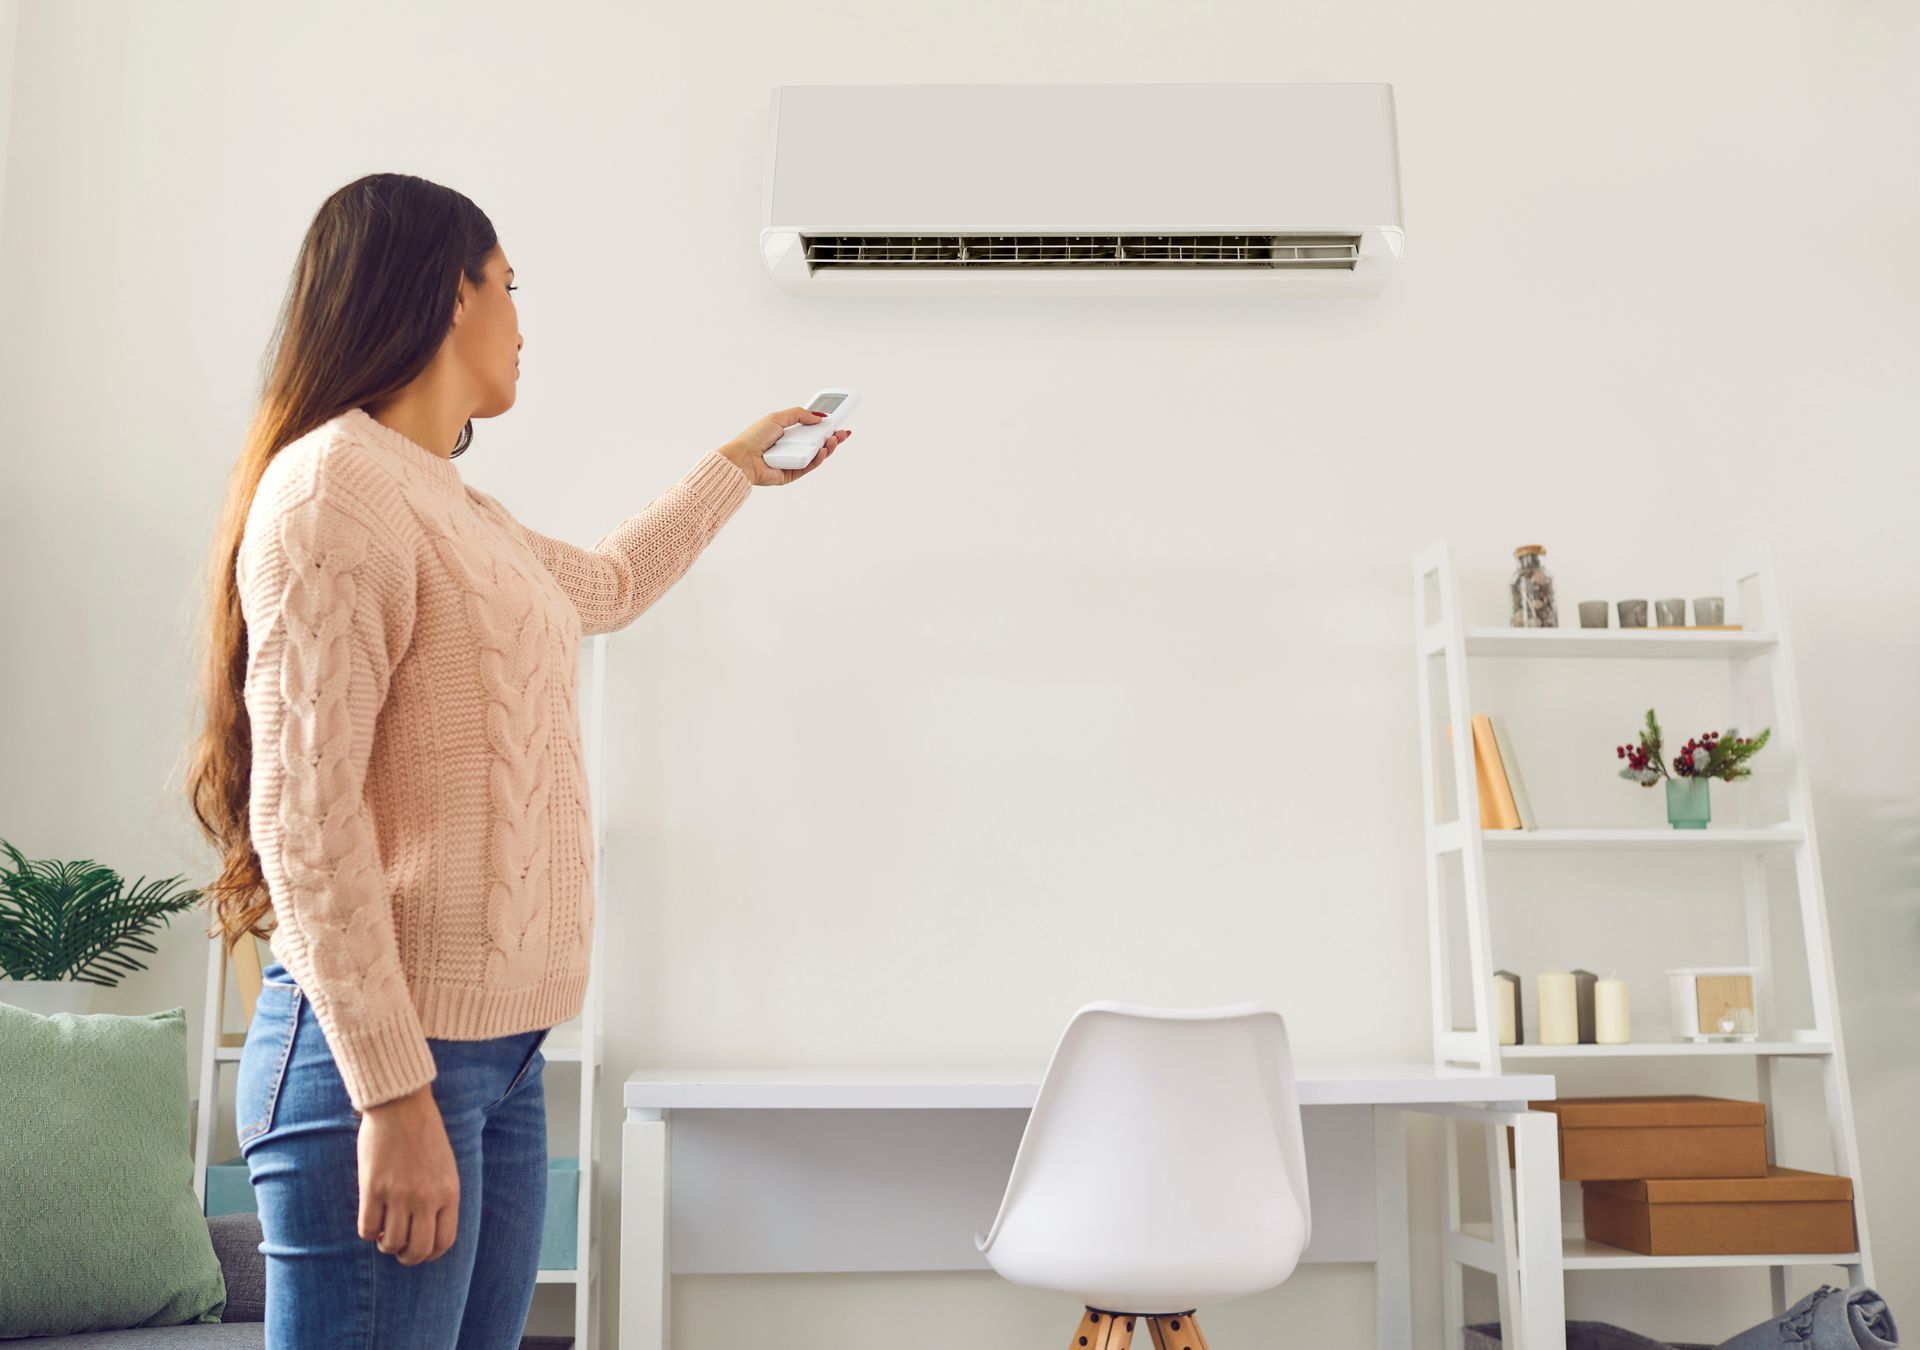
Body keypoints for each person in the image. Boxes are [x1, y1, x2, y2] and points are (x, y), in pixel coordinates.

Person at [184, 171, 851, 1347]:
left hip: (496, 1060)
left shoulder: (445, 503)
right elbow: (304, 817)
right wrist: (393, 1090)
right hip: (379, 1068)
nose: (522, 320)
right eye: (510, 285)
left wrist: (734, 471)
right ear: (452, 293)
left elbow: (604, 584)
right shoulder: (333, 489)